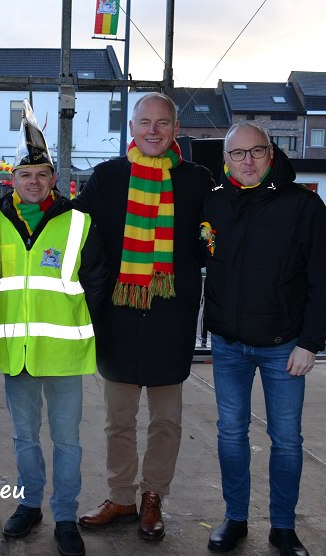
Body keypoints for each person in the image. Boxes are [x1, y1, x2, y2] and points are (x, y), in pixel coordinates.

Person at [74, 92, 214, 541]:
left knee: (166, 420)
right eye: (145, 122)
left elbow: (214, 239)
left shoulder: (197, 180)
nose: (154, 131)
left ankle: (153, 496)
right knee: (118, 418)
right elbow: (75, 232)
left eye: (163, 122)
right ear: (131, 128)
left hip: (172, 315)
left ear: (176, 129)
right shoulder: (108, 177)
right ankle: (120, 496)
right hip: (118, 315)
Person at [202, 122, 326, 556]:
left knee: (286, 439)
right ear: (226, 160)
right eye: (237, 153)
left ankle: (283, 527)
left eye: (256, 151)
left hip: (285, 347)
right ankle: (235, 518)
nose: (247, 161)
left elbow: (325, 280)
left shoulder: (302, 205)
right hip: (229, 346)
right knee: (230, 434)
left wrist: (310, 342)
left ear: (271, 153)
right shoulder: (214, 203)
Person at [0, 100, 108, 556]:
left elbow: (97, 282)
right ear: (12, 179)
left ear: (54, 178)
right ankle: (29, 505)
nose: (34, 182)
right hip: (16, 352)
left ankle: (64, 514)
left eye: (42, 174)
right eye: (25, 174)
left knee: (67, 441)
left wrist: (80, 325)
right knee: (24, 437)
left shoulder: (78, 222)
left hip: (63, 352)